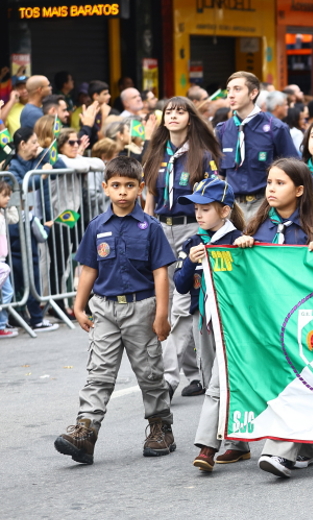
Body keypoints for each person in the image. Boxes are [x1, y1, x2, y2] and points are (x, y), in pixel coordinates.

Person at [53, 156, 177, 465]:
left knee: (149, 372)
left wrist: (162, 315)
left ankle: (160, 428)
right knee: (99, 373)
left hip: (142, 307)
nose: (122, 192)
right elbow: (89, 269)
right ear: (106, 187)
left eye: (129, 186)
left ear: (140, 188)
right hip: (105, 309)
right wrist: (78, 305)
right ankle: (86, 432)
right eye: (116, 186)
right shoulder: (97, 227)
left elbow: (161, 273)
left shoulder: (150, 228)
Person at [236, 157, 313, 478]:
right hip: (267, 318)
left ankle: (279, 450)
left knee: (295, 382)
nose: (271, 189)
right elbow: (243, 271)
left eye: (281, 183)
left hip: (302, 320)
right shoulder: (259, 226)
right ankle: (306, 445)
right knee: (280, 381)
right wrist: (243, 246)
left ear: (300, 190)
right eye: (270, 182)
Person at [142, 97, 222, 398]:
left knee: (180, 303)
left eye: (180, 111)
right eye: (169, 112)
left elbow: (213, 197)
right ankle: (195, 374)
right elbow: (150, 196)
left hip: (192, 227)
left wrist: (206, 234)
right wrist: (146, 230)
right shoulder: (156, 153)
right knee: (173, 300)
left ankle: (169, 378)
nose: (173, 116)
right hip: (162, 228)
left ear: (190, 118)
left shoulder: (202, 154)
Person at [179, 177, 246, 472]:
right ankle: (238, 443)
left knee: (220, 384)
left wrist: (240, 252)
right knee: (210, 379)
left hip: (231, 322)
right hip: (203, 319)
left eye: (205, 208)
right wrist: (188, 263)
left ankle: (208, 446)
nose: (198, 214)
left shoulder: (237, 240)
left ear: (225, 210)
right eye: (196, 208)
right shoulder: (194, 241)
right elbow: (181, 286)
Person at [215, 71, 299, 220]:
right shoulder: (222, 130)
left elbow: (294, 170)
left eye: (237, 89)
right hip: (232, 206)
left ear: (253, 93)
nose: (231, 95)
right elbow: (219, 173)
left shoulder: (275, 128)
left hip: (265, 204)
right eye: (228, 90)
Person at [6, 127, 58, 333]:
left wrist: (46, 156)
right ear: (22, 144)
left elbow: (58, 164)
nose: (37, 145)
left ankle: (29, 315)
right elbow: (19, 186)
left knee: (33, 266)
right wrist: (41, 175)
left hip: (36, 220)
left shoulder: (38, 158)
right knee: (20, 270)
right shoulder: (13, 165)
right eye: (34, 142)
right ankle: (30, 316)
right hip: (18, 223)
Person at [0, 181, 19, 338]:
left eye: (9, 196)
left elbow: (15, 218)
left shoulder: (3, 213)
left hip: (2, 260)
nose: (8, 199)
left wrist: (10, 205)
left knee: (8, 292)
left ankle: (2, 324)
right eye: (4, 196)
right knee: (7, 292)